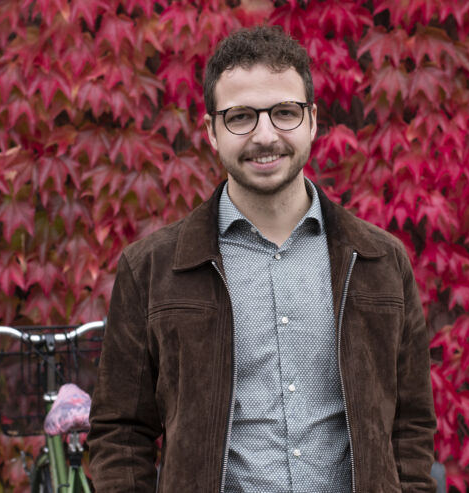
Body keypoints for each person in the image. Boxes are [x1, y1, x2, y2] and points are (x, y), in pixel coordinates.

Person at [88, 25, 437, 492]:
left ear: (312, 120)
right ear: (212, 130)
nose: (265, 135)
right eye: (241, 117)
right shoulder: (151, 269)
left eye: (284, 113)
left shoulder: (380, 261)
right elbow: (121, 433)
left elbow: (411, 426)